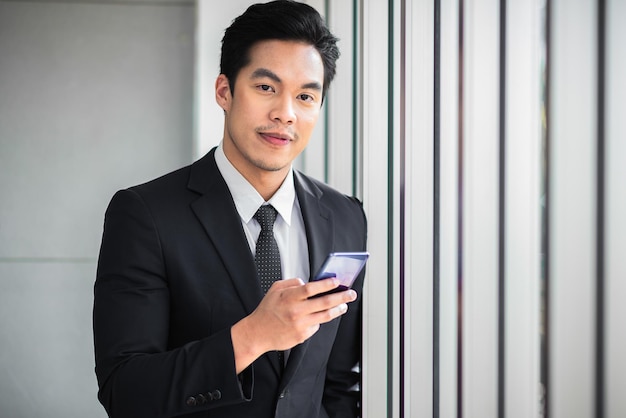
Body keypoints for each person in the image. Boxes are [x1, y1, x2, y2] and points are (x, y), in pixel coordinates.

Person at [93, 1, 367, 417]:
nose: (285, 114)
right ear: (224, 91)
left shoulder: (345, 216)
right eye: (266, 88)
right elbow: (125, 391)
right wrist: (252, 336)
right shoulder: (145, 215)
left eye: (306, 96)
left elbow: (339, 381)